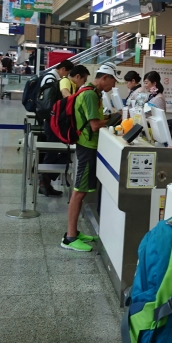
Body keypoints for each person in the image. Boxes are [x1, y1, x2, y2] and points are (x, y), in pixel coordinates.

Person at [64, 62, 117, 252]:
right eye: (112, 81)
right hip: (87, 147)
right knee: (79, 191)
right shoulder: (88, 94)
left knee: (82, 191)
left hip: (89, 146)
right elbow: (94, 125)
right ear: (104, 78)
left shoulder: (92, 93)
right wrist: (113, 119)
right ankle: (70, 237)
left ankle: (75, 232)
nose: (113, 85)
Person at [38, 60, 75, 197]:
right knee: (53, 152)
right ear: (63, 69)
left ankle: (46, 181)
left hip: (52, 120)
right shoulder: (52, 79)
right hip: (52, 121)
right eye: (67, 73)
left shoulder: (51, 78)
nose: (67, 76)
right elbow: (51, 103)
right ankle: (44, 182)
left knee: (56, 152)